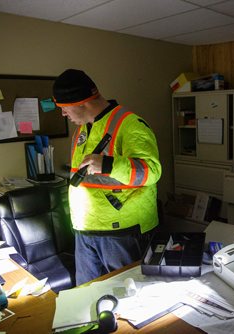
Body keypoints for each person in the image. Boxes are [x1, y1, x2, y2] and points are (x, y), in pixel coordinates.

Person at [52, 69, 162, 285]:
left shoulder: (130, 125)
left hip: (121, 232)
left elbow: (151, 170)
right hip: (85, 228)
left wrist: (109, 164)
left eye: (64, 108)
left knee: (129, 295)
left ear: (80, 103)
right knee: (87, 294)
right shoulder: (82, 129)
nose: (63, 114)